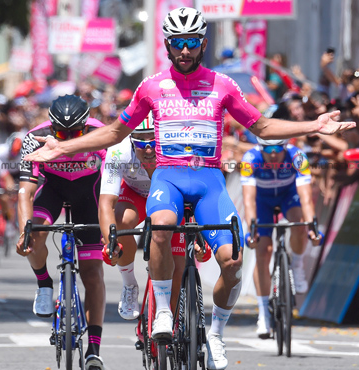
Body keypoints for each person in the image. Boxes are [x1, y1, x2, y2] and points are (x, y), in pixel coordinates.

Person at [22, 7, 355, 370]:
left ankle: (215, 332)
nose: (185, 50)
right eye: (178, 43)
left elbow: (261, 127)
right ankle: (163, 310)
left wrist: (313, 127)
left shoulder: (222, 84)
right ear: (167, 44)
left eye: (192, 43)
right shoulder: (150, 87)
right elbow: (115, 133)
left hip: (209, 182)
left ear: (202, 44)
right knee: (162, 227)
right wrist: (63, 146)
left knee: (233, 262)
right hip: (169, 177)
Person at [16, 95, 107, 370]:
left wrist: (109, 226)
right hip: (52, 190)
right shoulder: (35, 136)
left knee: (92, 273)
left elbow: (112, 184)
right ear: (51, 125)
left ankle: (93, 349)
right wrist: (24, 231)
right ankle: (44, 284)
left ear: (85, 126)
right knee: (35, 235)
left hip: (89, 194)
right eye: (61, 132)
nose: (67, 137)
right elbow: (25, 192)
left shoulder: (99, 133)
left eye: (75, 133)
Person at [99, 114, 196, 320]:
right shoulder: (118, 151)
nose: (149, 148)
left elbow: (196, 192)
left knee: (177, 271)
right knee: (122, 222)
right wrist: (110, 242)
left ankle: (169, 323)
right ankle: (129, 284)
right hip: (135, 195)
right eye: (141, 141)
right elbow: (106, 203)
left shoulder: (180, 148)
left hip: (171, 196)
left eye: (154, 139)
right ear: (131, 140)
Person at [241, 138, 322, 339]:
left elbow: (306, 197)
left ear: (285, 147)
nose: (274, 153)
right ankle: (263, 315)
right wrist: (252, 230)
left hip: (289, 195)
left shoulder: (298, 157)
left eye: (279, 148)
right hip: (262, 201)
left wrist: (312, 226)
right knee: (263, 251)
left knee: (299, 223)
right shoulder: (249, 159)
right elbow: (248, 200)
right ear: (261, 148)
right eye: (269, 148)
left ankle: (296, 263)